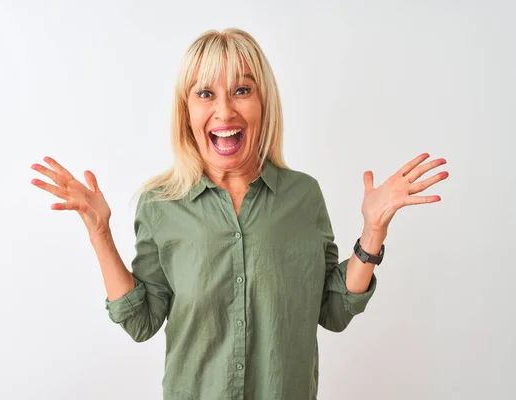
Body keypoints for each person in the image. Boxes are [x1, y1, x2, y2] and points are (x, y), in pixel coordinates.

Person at [30, 28, 449, 400]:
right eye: (206, 93)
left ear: (264, 102)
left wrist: (373, 231)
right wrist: (100, 232)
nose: (225, 112)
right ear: (187, 110)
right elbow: (141, 321)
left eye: (242, 91)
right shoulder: (160, 204)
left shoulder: (303, 196)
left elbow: (334, 310)